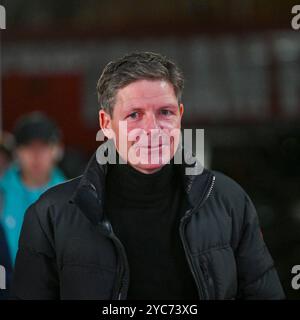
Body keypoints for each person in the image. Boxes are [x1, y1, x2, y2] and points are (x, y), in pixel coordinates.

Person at [11, 52, 285, 300]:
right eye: (134, 115)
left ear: (179, 115)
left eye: (164, 112)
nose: (152, 128)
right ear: (106, 124)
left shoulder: (228, 200)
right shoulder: (50, 215)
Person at [0, 112, 66, 266]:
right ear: (17, 152)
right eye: (28, 146)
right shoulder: (2, 194)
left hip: (56, 288)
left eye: (44, 146)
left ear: (57, 150)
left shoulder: (73, 198)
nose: (36, 155)